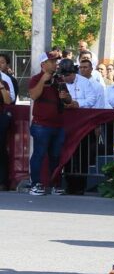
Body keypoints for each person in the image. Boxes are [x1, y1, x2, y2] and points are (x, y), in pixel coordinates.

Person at [27, 51, 66, 195]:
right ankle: (35, 184)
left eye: (56, 61)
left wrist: (66, 97)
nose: (56, 64)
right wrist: (43, 80)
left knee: (56, 156)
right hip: (41, 125)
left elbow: (67, 101)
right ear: (43, 64)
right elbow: (33, 95)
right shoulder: (35, 79)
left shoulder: (59, 79)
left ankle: (55, 184)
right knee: (39, 154)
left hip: (58, 125)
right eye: (52, 61)